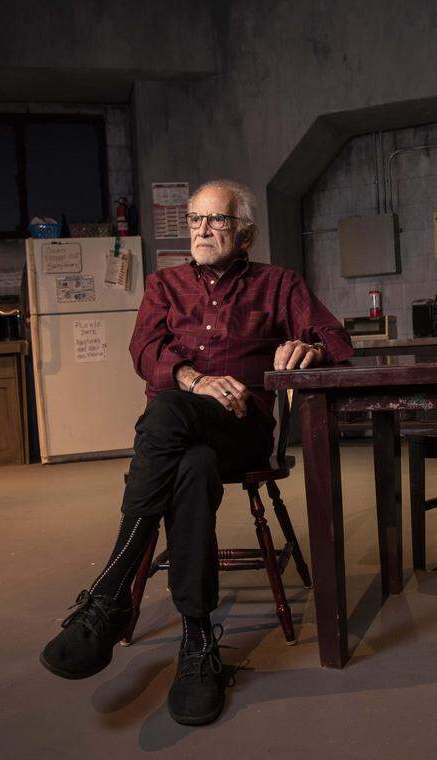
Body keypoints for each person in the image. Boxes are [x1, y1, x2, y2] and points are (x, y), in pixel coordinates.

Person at [40, 179, 353, 725]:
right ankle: (197, 640)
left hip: (243, 428)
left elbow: (336, 339)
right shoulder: (164, 286)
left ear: (245, 231)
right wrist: (191, 377)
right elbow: (144, 350)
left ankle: (112, 589)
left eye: (217, 220)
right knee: (190, 461)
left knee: (164, 414)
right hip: (183, 440)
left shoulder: (279, 284)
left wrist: (311, 345)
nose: (202, 230)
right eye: (194, 220)